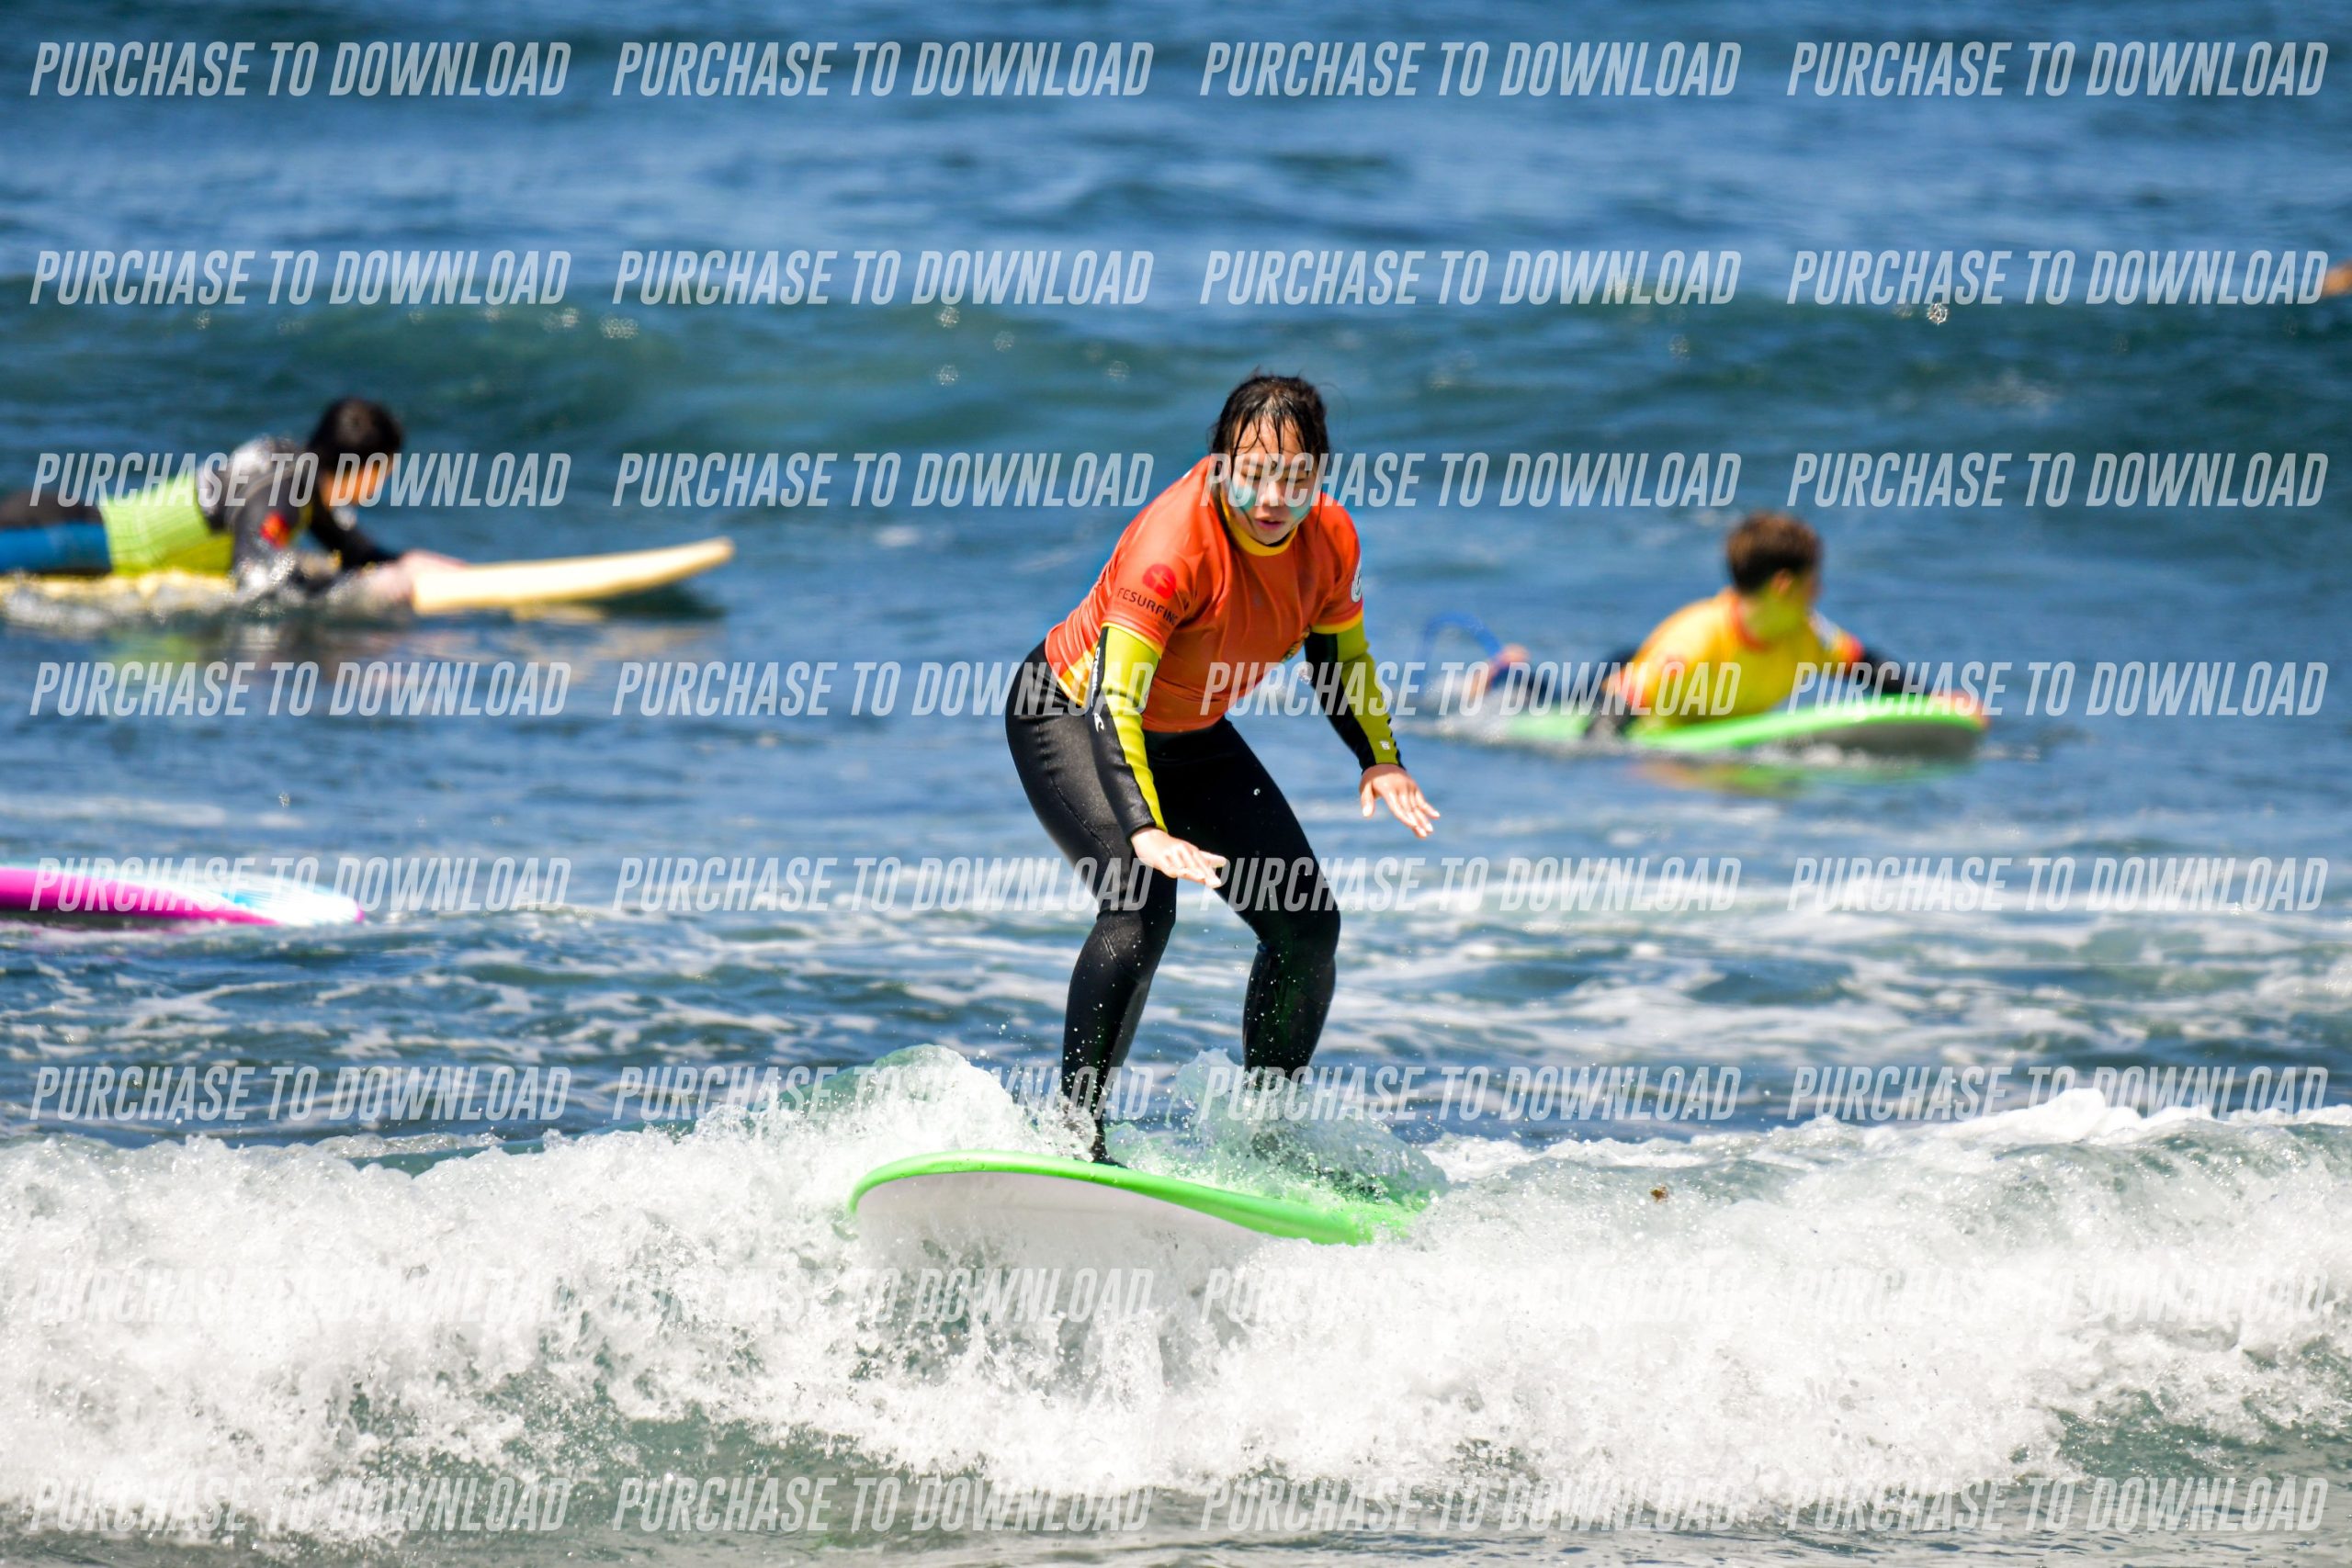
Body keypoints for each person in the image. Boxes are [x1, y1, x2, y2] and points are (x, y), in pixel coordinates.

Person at [1005, 374, 1437, 1160]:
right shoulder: (1172, 548)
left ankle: (1264, 1139)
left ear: (1319, 473)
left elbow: (1340, 658)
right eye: (1254, 473)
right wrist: (1144, 829)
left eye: (1295, 477)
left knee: (1307, 923)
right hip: (1070, 711)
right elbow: (1114, 702)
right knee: (1139, 904)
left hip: (1188, 730)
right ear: (1220, 464)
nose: (1273, 497)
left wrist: (1381, 758)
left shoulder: (1331, 538)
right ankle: (1073, 1138)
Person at [1468, 509, 1928, 731]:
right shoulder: (1697, 640)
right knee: (1558, 702)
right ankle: (1510, 675)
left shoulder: (1808, 635)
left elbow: (1869, 667)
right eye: (1813, 581)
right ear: (1784, 586)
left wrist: (1935, 702)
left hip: (1657, 674)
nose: (1820, 592)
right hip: (1623, 683)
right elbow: (1612, 715)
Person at [0, 397, 458, 600]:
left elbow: (353, 551)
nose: (382, 483)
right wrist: (357, 591)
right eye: (385, 471)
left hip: (71, 531)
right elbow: (256, 577)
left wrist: (408, 563)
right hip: (66, 539)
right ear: (366, 468)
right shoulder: (284, 489)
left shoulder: (302, 478)